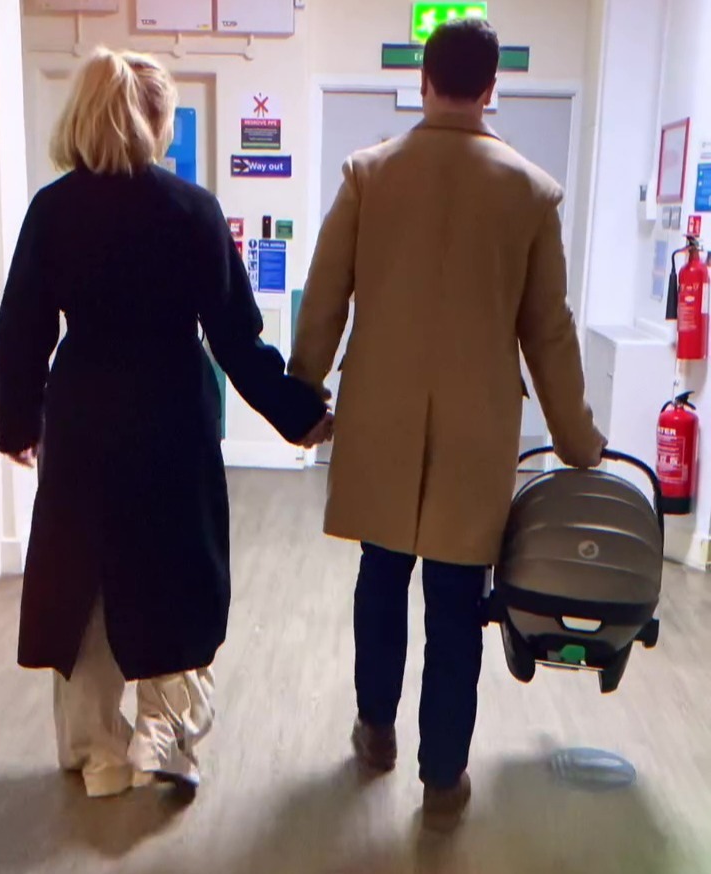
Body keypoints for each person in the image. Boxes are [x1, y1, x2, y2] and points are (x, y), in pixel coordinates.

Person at [289, 19, 605, 831]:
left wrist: (302, 396)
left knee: (381, 576)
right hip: (475, 432)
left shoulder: (369, 174)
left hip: (379, 421)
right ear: (493, 86)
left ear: (425, 80)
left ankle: (374, 732)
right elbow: (550, 332)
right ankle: (442, 776)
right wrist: (577, 443)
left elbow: (326, 297)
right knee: (458, 598)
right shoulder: (530, 192)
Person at [0, 47, 331, 799]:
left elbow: (19, 330)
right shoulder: (191, 211)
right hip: (172, 414)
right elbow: (236, 338)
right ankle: (165, 736)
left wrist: (18, 420)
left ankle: (99, 757)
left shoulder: (53, 209)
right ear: (155, 120)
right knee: (177, 573)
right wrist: (299, 415)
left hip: (81, 417)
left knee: (86, 582)